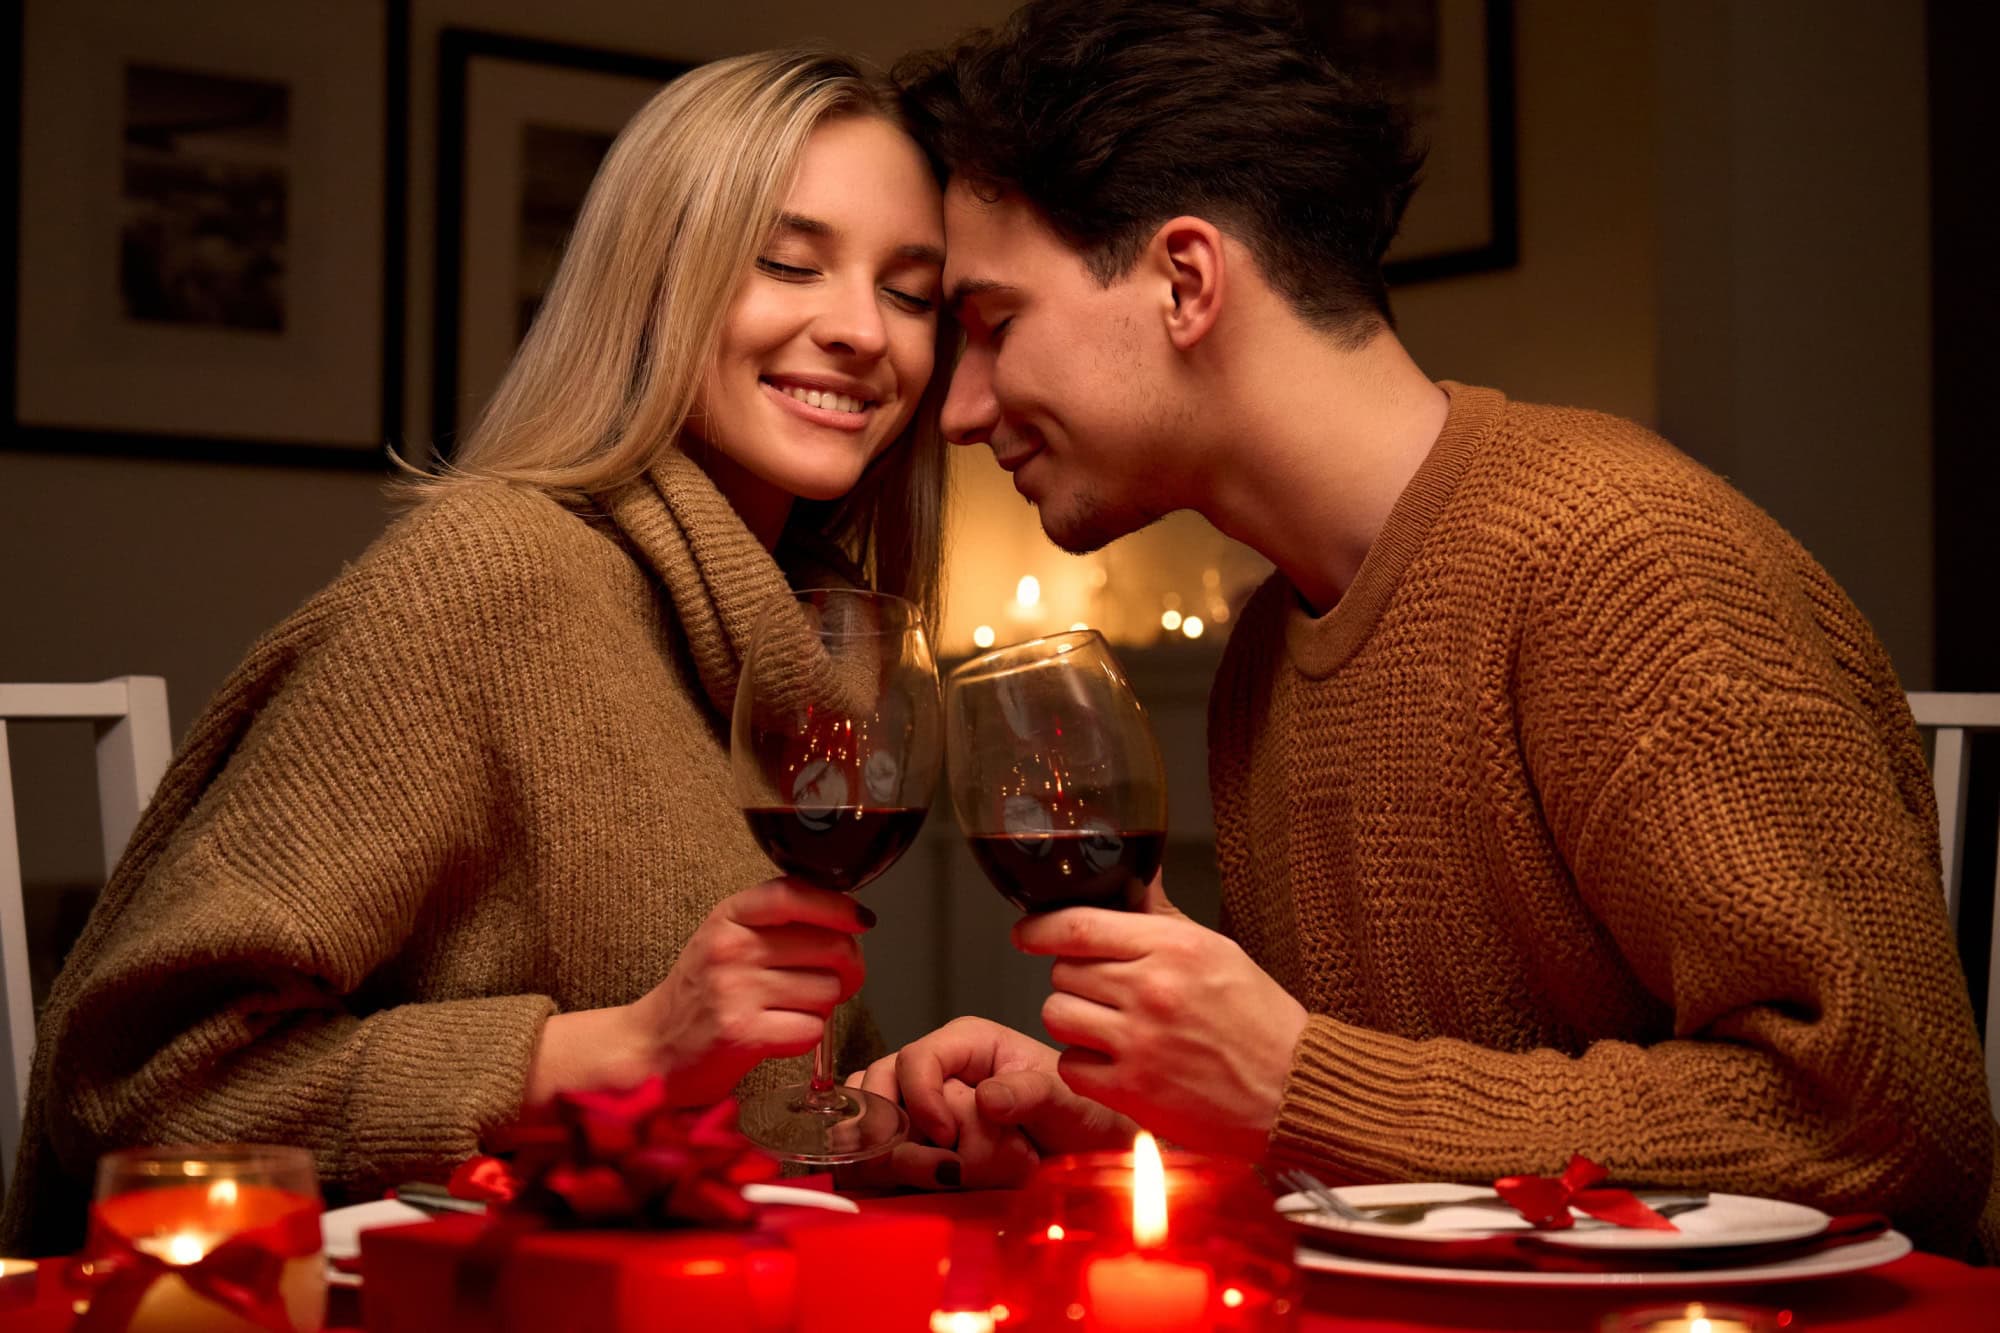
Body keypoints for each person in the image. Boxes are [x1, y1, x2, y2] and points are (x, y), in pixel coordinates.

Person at [854, 0, 1998, 1258]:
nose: (955, 408)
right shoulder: (1263, 657)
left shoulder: (1617, 562)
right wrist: (1130, 1103)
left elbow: (1891, 1120)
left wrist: (1297, 1082)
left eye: (992, 325)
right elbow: (1400, 1117)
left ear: (1186, 280)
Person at [2, 48, 950, 1253]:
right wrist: (615, 1050)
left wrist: (879, 1109)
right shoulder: (491, 579)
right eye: (786, 263)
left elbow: (699, 1113)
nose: (863, 331)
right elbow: (138, 1078)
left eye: (912, 293)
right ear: (653, 285)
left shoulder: (802, 636)